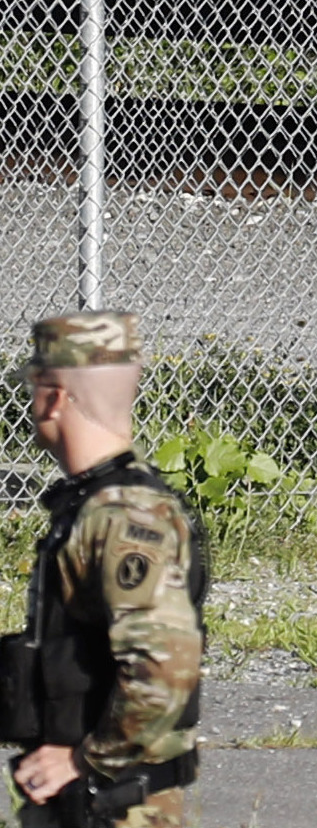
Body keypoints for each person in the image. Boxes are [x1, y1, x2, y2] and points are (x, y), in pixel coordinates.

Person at [9, 315, 202, 827]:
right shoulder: (94, 506)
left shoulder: (124, 518)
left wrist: (83, 760)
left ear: (52, 398)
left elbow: (165, 664)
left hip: (114, 806)